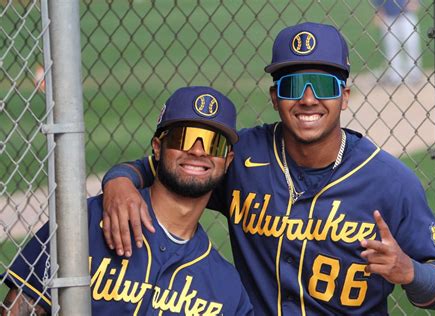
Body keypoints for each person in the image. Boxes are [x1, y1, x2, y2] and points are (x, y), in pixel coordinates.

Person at [101, 22, 435, 315]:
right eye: (293, 85)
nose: (308, 99)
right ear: (274, 98)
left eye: (325, 85)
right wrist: (119, 181)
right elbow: (168, 165)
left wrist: (409, 272)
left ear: (345, 96)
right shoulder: (243, 154)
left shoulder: (390, 182)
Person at [1, 86, 254, 315]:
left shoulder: (226, 292)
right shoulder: (86, 224)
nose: (197, 151)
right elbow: (20, 305)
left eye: (213, 144)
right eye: (183, 138)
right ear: (157, 147)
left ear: (227, 161)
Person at [373, 0, 424, 85]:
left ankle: (415, 74)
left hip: (407, 14)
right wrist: (379, 9)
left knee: (411, 44)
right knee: (391, 47)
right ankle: (395, 76)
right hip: (388, 15)